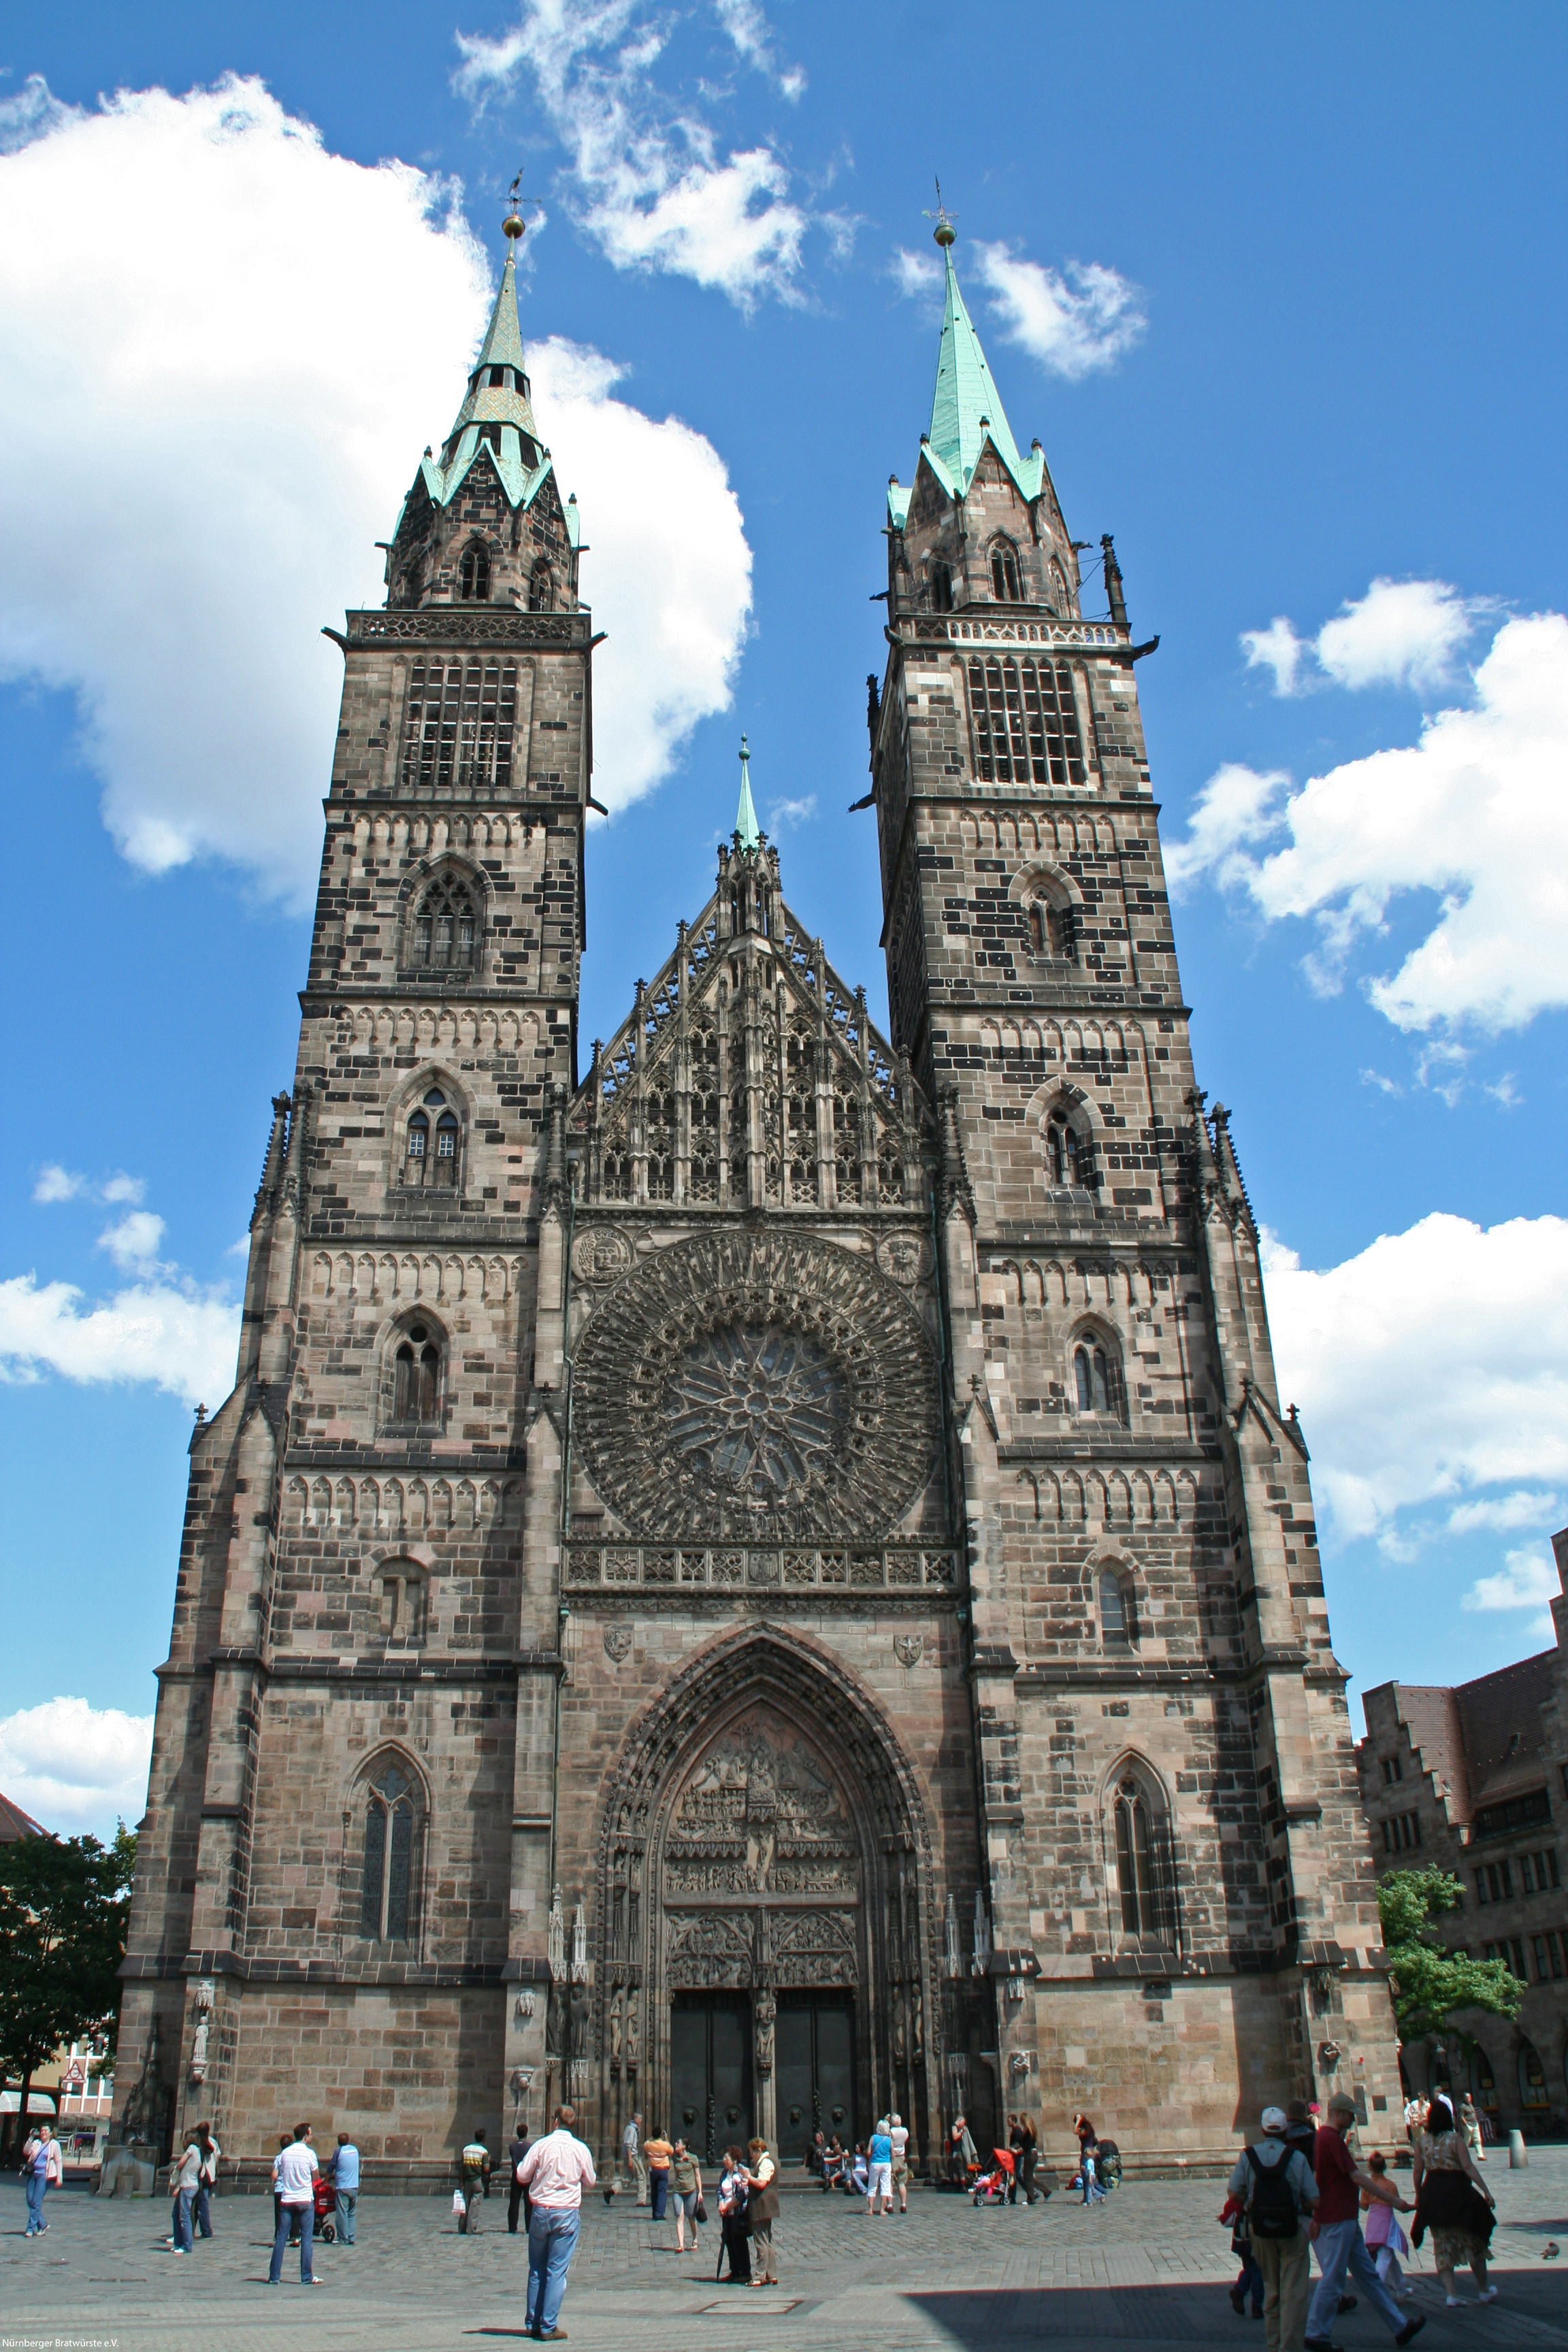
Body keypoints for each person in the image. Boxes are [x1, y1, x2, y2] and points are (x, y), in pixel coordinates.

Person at [1304, 2093, 1422, 2352]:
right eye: (1350, 2115)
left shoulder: (1325, 2138)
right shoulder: (1330, 2138)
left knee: (1369, 2277)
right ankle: (1315, 2333)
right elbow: (1357, 2177)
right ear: (1339, 2113)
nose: (1352, 2119)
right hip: (1337, 2219)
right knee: (1334, 2278)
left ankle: (1400, 2327)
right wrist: (1394, 2201)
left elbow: (1321, 2178)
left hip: (1343, 2217)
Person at [1224, 2105, 1318, 2352]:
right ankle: (1289, 2348)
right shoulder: (1296, 2157)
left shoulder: (1248, 2156)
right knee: (1293, 2292)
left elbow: (1234, 2191)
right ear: (1285, 2129)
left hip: (1261, 2230)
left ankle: (1273, 2345)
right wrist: (1301, 2204)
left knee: (1271, 2288)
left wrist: (1249, 2203)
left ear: (1263, 2129)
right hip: (1292, 2229)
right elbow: (1315, 2199)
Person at [517, 2102, 596, 2342]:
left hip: (541, 2212)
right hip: (566, 2213)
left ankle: (533, 2322)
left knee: (537, 2269)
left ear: (555, 2121)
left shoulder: (541, 2145)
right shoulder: (580, 2149)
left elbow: (522, 2175)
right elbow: (591, 2181)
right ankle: (548, 2326)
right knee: (556, 2271)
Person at [1412, 2093, 1497, 2308]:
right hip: (1457, 2194)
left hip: (1433, 2193)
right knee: (1473, 2241)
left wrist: (1419, 2194)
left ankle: (1451, 2295)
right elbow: (1468, 2167)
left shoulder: (1422, 2141)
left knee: (1442, 2245)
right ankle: (1483, 2291)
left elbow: (1418, 2170)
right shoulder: (1455, 2139)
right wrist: (1485, 2190)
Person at [268, 2123, 323, 2287]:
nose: (312, 2136)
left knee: (281, 2238)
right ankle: (306, 2276)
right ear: (306, 2135)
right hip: (305, 2200)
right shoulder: (310, 2154)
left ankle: (274, 2276)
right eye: (311, 2133)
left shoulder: (285, 2153)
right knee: (306, 2239)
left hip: (287, 2199)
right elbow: (315, 2176)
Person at [1362, 2153, 1412, 2300]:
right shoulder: (1390, 2185)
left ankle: (1401, 2287)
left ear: (1369, 2167)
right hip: (1386, 2221)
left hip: (1373, 2220)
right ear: (1385, 2167)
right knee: (1385, 2255)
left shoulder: (1367, 2184)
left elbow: (1364, 2206)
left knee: (1390, 2256)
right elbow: (1397, 2203)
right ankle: (1376, 2289)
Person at [745, 2138, 780, 2287]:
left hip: (762, 2206)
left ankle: (760, 2276)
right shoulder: (764, 2162)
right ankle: (771, 2275)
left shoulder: (766, 2162)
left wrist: (749, 2177)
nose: (751, 2156)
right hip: (766, 2206)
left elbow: (762, 2182)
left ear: (759, 2151)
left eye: (752, 2152)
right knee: (768, 2241)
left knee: (761, 2242)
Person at [717, 2146, 751, 2283]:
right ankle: (734, 2270)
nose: (724, 2160)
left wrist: (728, 2205)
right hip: (727, 2215)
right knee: (729, 2241)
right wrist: (721, 2203)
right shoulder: (724, 2174)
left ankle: (745, 2271)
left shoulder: (741, 2173)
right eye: (724, 2158)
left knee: (739, 2242)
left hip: (738, 2213)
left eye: (727, 2158)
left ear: (734, 2160)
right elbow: (720, 2190)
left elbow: (743, 2193)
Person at [169, 2127, 203, 2253]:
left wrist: (175, 2170)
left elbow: (181, 2163)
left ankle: (187, 2245)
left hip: (188, 2187)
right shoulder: (198, 2151)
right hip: (186, 2186)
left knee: (185, 2216)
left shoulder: (192, 2149)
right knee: (176, 2214)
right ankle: (178, 2243)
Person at [22, 2121, 59, 2238]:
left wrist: (60, 2178)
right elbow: (26, 2152)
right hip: (33, 2174)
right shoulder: (36, 2143)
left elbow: (59, 2161)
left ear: (51, 2133)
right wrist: (31, 2137)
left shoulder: (54, 2144)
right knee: (30, 2200)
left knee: (36, 2202)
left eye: (46, 2131)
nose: (43, 2133)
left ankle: (30, 2229)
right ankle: (42, 2224)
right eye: (42, 2131)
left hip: (45, 2176)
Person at [670, 2136, 702, 2254]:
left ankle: (695, 2239)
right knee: (679, 2216)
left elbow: (698, 2176)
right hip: (678, 2191)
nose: (676, 2145)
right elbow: (668, 2149)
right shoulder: (675, 2158)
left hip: (691, 2191)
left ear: (684, 2146)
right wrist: (665, 2138)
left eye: (678, 2144)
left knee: (691, 2216)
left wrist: (700, 2192)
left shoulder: (693, 2158)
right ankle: (680, 2244)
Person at [459, 2127, 493, 2234]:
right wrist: (489, 2161)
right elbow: (486, 2169)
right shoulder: (484, 2152)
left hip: (467, 2179)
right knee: (475, 2204)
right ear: (484, 2139)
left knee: (465, 2204)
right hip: (478, 2180)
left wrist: (461, 2182)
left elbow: (462, 2166)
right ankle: (471, 2228)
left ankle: (462, 2228)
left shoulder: (466, 2149)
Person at [330, 2132, 359, 2246]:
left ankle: (343, 2238)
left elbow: (331, 2166)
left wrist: (326, 2179)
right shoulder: (355, 2150)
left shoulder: (338, 2152)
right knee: (351, 2213)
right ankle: (351, 2236)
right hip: (354, 2186)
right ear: (348, 2141)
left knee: (342, 2213)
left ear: (338, 2143)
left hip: (343, 2187)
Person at [195, 2121, 220, 2240]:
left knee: (202, 2205)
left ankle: (206, 2231)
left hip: (203, 2177)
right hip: (211, 2176)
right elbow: (217, 2158)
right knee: (198, 2204)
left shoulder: (199, 2144)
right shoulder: (213, 2142)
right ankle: (191, 2229)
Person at [644, 2125, 672, 2221]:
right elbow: (671, 2151)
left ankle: (654, 2212)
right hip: (663, 2169)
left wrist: (654, 2137)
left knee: (654, 2191)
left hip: (653, 2170)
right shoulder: (665, 2145)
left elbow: (646, 2144)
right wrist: (666, 2139)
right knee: (662, 2191)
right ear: (661, 2134)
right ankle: (659, 2213)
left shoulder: (648, 2144)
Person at [866, 2117, 894, 2215]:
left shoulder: (873, 2138)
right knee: (885, 2186)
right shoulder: (889, 2140)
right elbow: (893, 2155)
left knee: (872, 2186)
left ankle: (870, 2209)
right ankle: (882, 2210)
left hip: (875, 2163)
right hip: (886, 2164)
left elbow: (868, 2152)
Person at [508, 2125, 532, 2236]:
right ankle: (529, 2226)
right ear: (526, 2133)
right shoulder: (529, 2146)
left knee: (514, 2203)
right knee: (528, 2204)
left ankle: (512, 2226)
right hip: (527, 2176)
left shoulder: (512, 2146)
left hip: (516, 2175)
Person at [623, 2111, 647, 2205]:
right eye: (640, 2119)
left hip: (629, 2156)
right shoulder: (632, 2130)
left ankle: (611, 2191)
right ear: (635, 2119)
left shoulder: (629, 2128)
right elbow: (629, 2145)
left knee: (628, 2179)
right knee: (642, 2177)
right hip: (632, 2157)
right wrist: (630, 2160)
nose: (641, 2121)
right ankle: (641, 2201)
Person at [889, 2112, 911, 2212]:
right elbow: (906, 2140)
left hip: (893, 2158)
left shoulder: (891, 2132)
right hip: (902, 2157)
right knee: (902, 2183)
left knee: (890, 2182)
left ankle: (890, 2205)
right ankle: (903, 2204)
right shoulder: (905, 2131)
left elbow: (888, 2142)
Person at [949, 2112, 976, 2185]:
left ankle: (957, 2186)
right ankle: (962, 2187)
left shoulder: (956, 2128)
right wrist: (962, 2132)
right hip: (957, 2151)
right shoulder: (954, 2127)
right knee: (962, 2169)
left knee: (956, 2169)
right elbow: (955, 2137)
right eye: (963, 2123)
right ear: (960, 2120)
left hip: (955, 2151)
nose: (963, 2125)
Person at [1458, 2094, 1485, 2163]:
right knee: (1467, 2142)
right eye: (1466, 2097)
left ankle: (1480, 2155)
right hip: (1468, 2125)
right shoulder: (1462, 2106)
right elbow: (1461, 2117)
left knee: (1478, 2140)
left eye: (1469, 2097)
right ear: (1464, 2098)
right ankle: (1462, 2156)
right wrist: (1466, 2125)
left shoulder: (1470, 2105)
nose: (1468, 2099)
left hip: (1475, 2124)